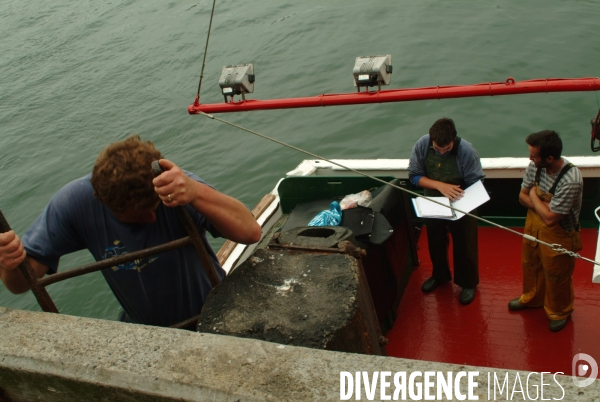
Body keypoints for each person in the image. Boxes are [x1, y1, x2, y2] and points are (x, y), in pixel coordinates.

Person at [0, 135, 261, 328]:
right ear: (103, 201)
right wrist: (11, 264)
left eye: (154, 209)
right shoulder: (74, 204)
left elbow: (250, 232)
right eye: (137, 217)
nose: (151, 218)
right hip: (143, 329)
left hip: (214, 311)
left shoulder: (174, 186)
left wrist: (195, 191)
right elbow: (21, 285)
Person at [509, 130, 582, 332]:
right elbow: (522, 197)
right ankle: (532, 298)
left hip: (560, 234)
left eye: (534, 156)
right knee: (531, 264)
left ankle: (560, 311)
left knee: (557, 275)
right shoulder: (536, 166)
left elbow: (551, 219)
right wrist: (538, 201)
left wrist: (533, 193)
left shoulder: (570, 179)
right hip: (533, 225)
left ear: (549, 158)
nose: (530, 159)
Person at [408, 118, 485, 305]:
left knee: (465, 243)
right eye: (438, 149)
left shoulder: (467, 151)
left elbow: (477, 181)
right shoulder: (422, 145)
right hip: (434, 200)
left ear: (454, 140)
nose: (442, 152)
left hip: (463, 200)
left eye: (447, 148)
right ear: (431, 140)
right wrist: (440, 186)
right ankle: (440, 275)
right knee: (435, 240)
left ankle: (468, 283)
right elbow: (414, 175)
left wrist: (458, 198)